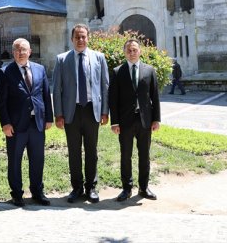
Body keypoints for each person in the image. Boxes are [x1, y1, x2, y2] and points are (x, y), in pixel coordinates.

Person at [52, 23, 109, 203]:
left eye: (83, 36)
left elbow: (105, 86)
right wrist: (58, 114)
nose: (80, 40)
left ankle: (91, 187)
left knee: (92, 151)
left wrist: (105, 111)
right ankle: (76, 188)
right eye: (77, 37)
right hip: (72, 112)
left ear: (88, 38)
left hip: (92, 110)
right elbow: (57, 88)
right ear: (72, 39)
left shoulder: (99, 58)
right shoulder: (62, 59)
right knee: (74, 151)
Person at [0, 38, 53, 207]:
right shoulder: (6, 72)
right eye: (17, 50)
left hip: (37, 123)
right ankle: (17, 194)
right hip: (15, 126)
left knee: (37, 159)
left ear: (30, 52)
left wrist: (48, 118)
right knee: (15, 161)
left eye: (23, 50)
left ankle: (37, 191)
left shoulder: (40, 69)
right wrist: (5, 123)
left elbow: (45, 94)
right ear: (13, 52)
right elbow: (2, 101)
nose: (20, 53)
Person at [109, 38, 161, 202]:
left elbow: (155, 97)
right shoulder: (118, 71)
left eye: (135, 50)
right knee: (126, 155)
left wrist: (156, 119)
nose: (132, 53)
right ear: (125, 53)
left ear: (140, 51)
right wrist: (115, 121)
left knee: (144, 155)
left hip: (145, 120)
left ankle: (144, 187)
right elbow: (113, 99)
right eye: (129, 50)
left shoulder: (149, 70)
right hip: (125, 122)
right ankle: (126, 188)